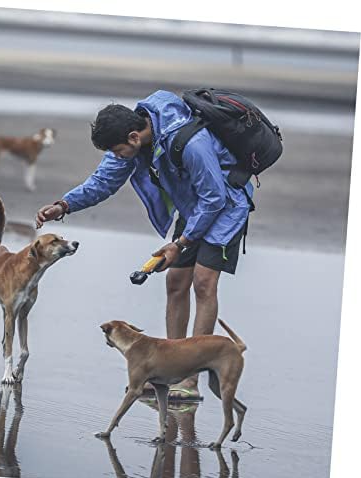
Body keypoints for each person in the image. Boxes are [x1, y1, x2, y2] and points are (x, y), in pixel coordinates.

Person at [35, 90, 252, 400]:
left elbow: (215, 196)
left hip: (227, 205)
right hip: (195, 208)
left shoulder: (190, 143)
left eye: (120, 151)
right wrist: (64, 205)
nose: (120, 157)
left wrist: (181, 242)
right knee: (176, 282)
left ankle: (189, 379)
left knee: (203, 283)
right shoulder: (134, 141)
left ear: (134, 137)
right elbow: (103, 181)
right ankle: (171, 371)